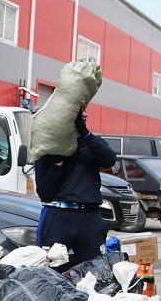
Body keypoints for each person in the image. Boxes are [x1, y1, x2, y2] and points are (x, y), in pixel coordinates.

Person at [32, 109, 118, 267]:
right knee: (50, 270)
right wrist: (57, 166)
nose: (85, 115)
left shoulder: (91, 142)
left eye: (85, 112)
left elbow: (109, 159)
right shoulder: (48, 147)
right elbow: (44, 193)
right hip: (58, 216)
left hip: (89, 216)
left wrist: (84, 132)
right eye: (80, 112)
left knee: (97, 269)